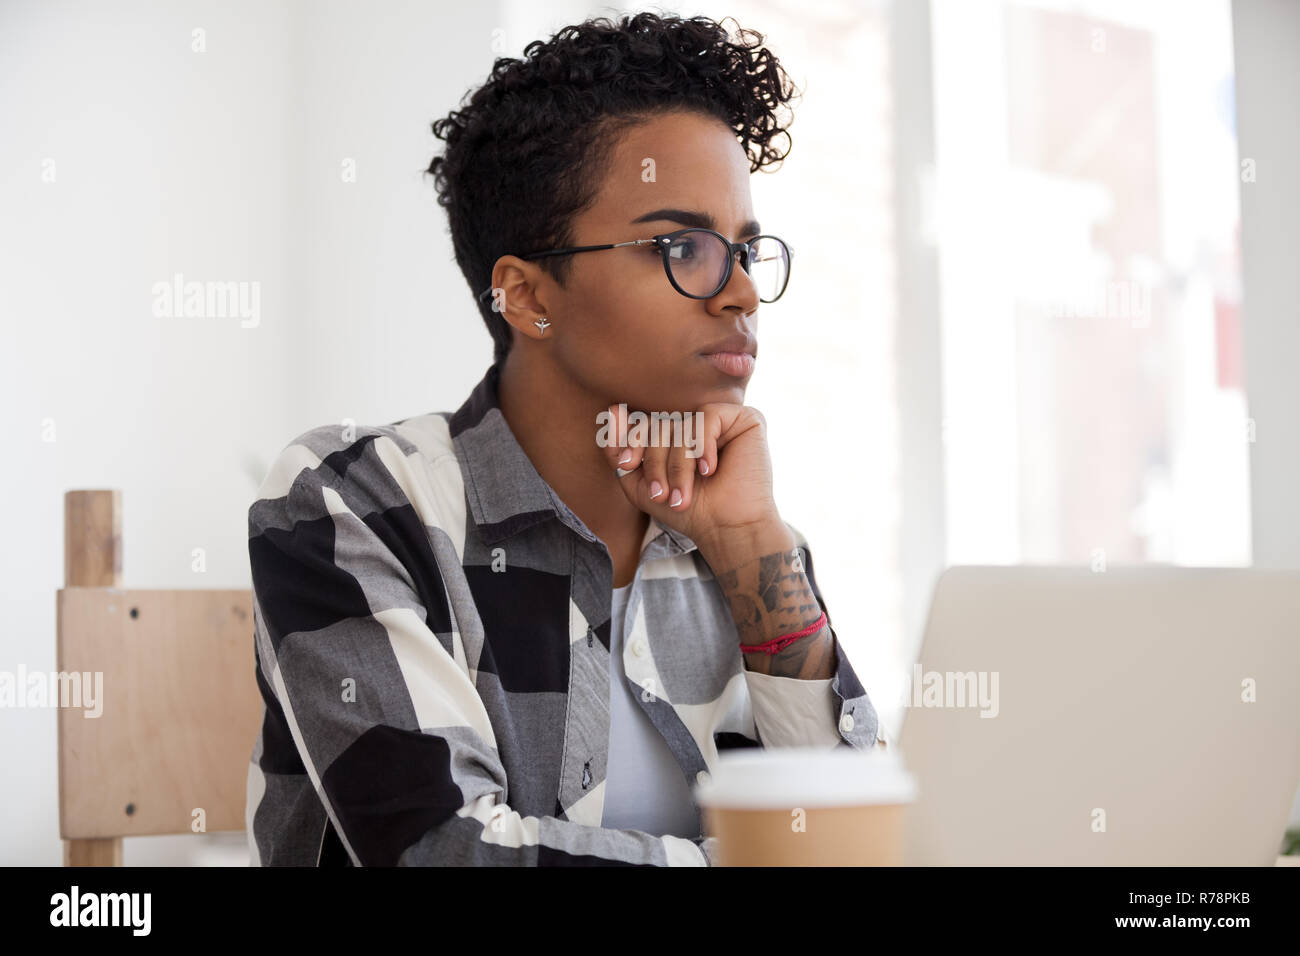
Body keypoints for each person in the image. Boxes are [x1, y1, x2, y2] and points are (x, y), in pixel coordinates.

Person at [245, 11, 883, 868]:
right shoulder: (361, 502)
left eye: (745, 248)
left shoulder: (749, 543)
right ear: (530, 299)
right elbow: (441, 854)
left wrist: (753, 553)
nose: (741, 294)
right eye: (683, 246)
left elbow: (856, 839)